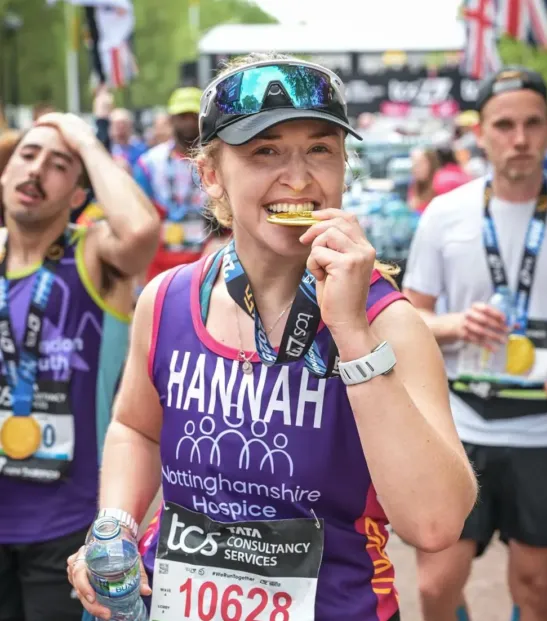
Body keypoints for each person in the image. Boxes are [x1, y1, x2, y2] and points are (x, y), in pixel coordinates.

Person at [68, 53, 477, 621]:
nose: (300, 177)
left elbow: (435, 524)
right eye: (265, 151)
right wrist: (114, 525)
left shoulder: (387, 321)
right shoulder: (165, 300)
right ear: (211, 174)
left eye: (320, 150)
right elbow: (136, 427)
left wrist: (351, 332)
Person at [402, 67, 547, 621]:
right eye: (505, 125)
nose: (520, 138)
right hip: (459, 424)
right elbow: (409, 316)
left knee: (535, 591)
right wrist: (456, 323)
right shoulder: (444, 214)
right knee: (437, 587)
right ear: (481, 132)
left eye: (532, 124)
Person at [0, 112, 160, 621]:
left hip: (67, 530)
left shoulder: (92, 256)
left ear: (76, 195)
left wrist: (88, 142)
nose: (36, 171)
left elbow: (140, 228)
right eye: (28, 156)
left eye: (58, 165)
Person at [133, 87, 217, 282]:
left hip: (206, 263)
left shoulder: (218, 162)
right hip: (159, 263)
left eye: (192, 116)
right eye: (182, 116)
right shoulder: (149, 163)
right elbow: (141, 216)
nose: (187, 122)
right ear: (171, 119)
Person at [408, 148, 440, 213]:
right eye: (414, 163)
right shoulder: (415, 184)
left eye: (421, 163)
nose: (416, 167)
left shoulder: (441, 183)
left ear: (431, 163)